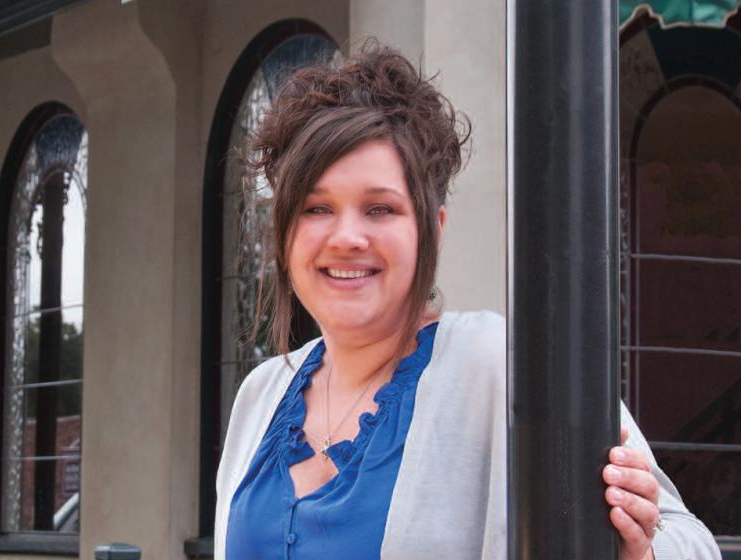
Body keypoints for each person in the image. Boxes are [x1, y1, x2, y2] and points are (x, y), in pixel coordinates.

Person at [214, 45, 721, 560]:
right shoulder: (260, 395)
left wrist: (641, 549)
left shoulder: (506, 367)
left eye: (380, 208)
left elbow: (690, 542)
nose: (347, 237)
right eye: (317, 207)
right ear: (283, 234)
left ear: (432, 229)